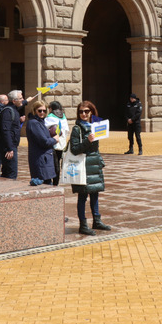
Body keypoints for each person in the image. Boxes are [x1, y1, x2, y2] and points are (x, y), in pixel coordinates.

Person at [70, 100, 111, 235]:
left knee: (95, 193)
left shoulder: (95, 125)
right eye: (81, 112)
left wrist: (100, 160)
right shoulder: (77, 129)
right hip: (83, 166)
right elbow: (74, 149)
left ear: (91, 112)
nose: (83, 114)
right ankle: (83, 224)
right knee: (82, 196)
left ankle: (97, 221)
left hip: (94, 164)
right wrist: (88, 141)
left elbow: (96, 148)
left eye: (86, 111)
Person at [26, 100, 58, 185]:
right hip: (40, 159)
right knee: (43, 184)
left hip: (44, 158)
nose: (42, 113)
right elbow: (44, 141)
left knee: (47, 184)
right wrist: (55, 139)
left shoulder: (40, 122)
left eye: (44, 110)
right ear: (34, 110)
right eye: (39, 110)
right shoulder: (34, 123)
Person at [0, 90, 27, 180]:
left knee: (7, 172)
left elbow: (11, 126)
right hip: (9, 147)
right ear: (14, 101)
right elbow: (5, 130)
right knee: (11, 173)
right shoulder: (7, 111)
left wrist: (19, 121)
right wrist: (10, 148)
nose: (22, 100)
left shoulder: (13, 109)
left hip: (11, 145)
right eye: (20, 98)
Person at [44, 101, 71, 186]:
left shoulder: (49, 117)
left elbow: (44, 129)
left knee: (50, 165)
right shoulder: (64, 118)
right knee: (57, 164)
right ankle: (56, 183)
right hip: (61, 145)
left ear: (51, 109)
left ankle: (49, 182)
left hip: (52, 144)